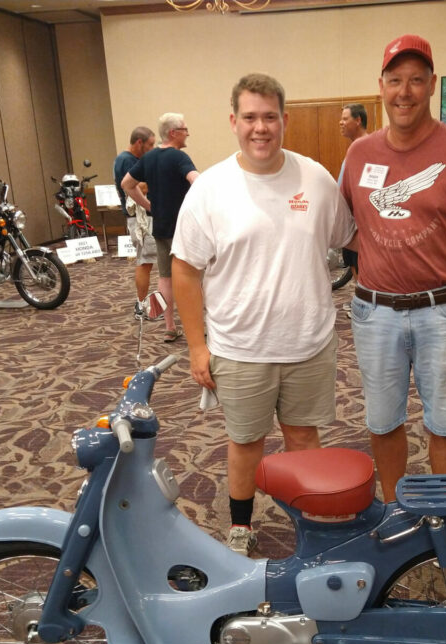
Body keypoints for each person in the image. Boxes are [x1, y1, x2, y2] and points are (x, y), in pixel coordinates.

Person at [172, 73, 357, 555]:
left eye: (269, 117)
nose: (260, 127)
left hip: (308, 342)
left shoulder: (315, 178)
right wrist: (196, 345)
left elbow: (352, 237)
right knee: (246, 441)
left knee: (302, 437)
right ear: (233, 121)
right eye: (250, 117)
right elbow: (185, 271)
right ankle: (241, 525)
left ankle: (310, 527)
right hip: (240, 347)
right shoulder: (210, 189)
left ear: (284, 120)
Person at [339, 34, 446, 503]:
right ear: (381, 87)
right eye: (394, 81)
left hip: (445, 313)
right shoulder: (359, 154)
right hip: (375, 313)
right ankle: (396, 513)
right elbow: (340, 223)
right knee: (383, 422)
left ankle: (445, 520)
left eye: (414, 80)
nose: (403, 92)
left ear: (431, 85)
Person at [122, 113, 199, 342]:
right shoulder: (179, 158)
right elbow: (197, 181)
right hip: (183, 230)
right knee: (193, 278)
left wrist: (147, 205)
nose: (187, 133)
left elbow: (126, 184)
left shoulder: (149, 158)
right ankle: (199, 327)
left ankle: (169, 326)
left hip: (161, 227)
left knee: (165, 277)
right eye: (185, 129)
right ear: (174, 133)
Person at [113, 126, 156, 319]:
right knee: (145, 262)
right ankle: (141, 306)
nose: (152, 148)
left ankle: (144, 303)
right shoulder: (126, 161)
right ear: (139, 142)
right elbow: (140, 187)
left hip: (143, 218)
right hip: (139, 219)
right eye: (150, 144)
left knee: (147, 261)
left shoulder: (133, 160)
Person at [338, 103, 368, 305]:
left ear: (358, 120)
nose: (340, 123)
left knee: (363, 274)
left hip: (360, 225)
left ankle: (365, 308)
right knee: (355, 270)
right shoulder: (354, 148)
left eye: (345, 118)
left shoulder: (368, 147)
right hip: (349, 221)